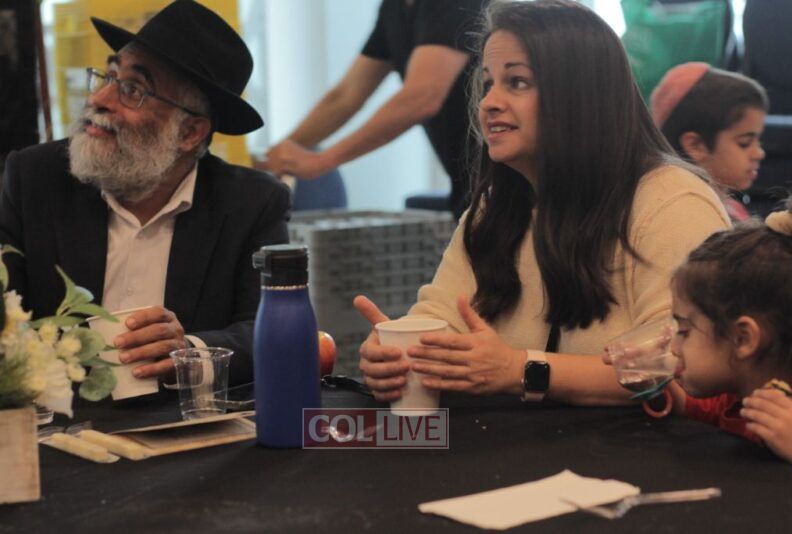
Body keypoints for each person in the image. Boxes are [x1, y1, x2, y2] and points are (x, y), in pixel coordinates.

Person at [355, 0, 731, 406]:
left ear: (580, 95)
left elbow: (676, 367)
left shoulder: (673, 203)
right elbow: (443, 317)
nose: (489, 102)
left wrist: (520, 370)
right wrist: (399, 355)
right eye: (488, 83)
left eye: (516, 82)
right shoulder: (495, 207)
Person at [0, 1, 289, 387]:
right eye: (109, 76)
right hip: (60, 414)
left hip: (181, 415)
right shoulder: (35, 178)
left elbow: (273, 332)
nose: (100, 99)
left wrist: (189, 351)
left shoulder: (252, 203)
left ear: (189, 133)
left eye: (133, 90)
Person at [259, 0, 485, 218]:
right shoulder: (394, 8)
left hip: (497, 183)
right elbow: (345, 97)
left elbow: (422, 96)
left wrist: (323, 161)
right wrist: (277, 155)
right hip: (468, 187)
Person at [665, 194, 792, 468]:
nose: (674, 348)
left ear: (743, 339)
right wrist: (651, 384)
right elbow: (688, 405)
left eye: (684, 331)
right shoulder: (736, 398)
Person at [650, 62, 769, 222]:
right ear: (696, 146)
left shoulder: (732, 208)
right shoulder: (688, 218)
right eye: (745, 143)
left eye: (758, 140)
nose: (759, 153)